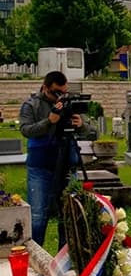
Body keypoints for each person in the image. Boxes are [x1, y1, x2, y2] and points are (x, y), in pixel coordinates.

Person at [19, 71, 93, 247]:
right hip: (41, 166)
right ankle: (36, 261)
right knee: (38, 216)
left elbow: (90, 130)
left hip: (67, 164)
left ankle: (65, 261)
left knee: (68, 216)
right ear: (45, 88)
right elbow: (26, 130)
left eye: (63, 92)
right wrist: (49, 121)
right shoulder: (32, 105)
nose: (60, 97)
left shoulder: (70, 104)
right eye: (56, 92)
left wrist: (81, 125)